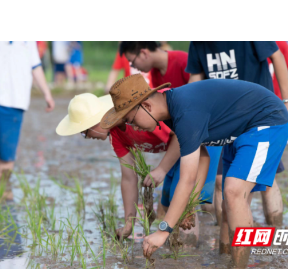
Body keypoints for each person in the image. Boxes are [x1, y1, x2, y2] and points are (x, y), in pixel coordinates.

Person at [101, 74, 288, 268]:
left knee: (233, 192)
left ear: (147, 107)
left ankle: (240, 266)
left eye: (131, 120)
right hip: (240, 130)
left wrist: (164, 230)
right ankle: (226, 260)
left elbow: (188, 178)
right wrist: (190, 205)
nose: (134, 127)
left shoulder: (185, 111)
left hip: (267, 121)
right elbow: (202, 157)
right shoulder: (172, 111)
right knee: (228, 206)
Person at [56, 92, 210, 241]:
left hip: (201, 146)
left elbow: (183, 133)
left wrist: (162, 169)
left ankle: (200, 254)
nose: (87, 137)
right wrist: (129, 224)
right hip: (178, 154)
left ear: (95, 121)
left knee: (187, 207)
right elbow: (129, 178)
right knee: (167, 206)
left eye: (84, 132)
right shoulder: (116, 135)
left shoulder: (140, 114)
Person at [186, 41, 288, 231]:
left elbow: (277, 56)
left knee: (265, 182)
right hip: (227, 121)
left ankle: (275, 236)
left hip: (261, 117)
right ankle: (228, 243)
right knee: (222, 181)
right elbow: (195, 79)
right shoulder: (198, 44)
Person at [119, 41, 222, 221]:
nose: (133, 66)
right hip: (183, 139)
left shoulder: (184, 61)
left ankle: (212, 237)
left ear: (143, 53)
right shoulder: (156, 75)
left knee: (192, 200)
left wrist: (162, 168)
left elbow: (199, 101)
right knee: (171, 198)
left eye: (132, 61)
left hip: (202, 134)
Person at [0, 41, 55, 201]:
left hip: (14, 102)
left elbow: (35, 66)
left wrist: (47, 93)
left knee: (6, 157)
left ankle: (4, 197)